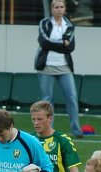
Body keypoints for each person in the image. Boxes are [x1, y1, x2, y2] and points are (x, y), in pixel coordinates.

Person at [35, 0, 83, 138]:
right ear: (52, 9)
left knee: (72, 98)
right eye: (56, 7)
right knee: (47, 100)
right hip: (46, 66)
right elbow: (43, 42)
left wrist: (56, 45)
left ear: (65, 9)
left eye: (62, 7)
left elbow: (71, 47)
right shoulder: (44, 23)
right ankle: (47, 131)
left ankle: (76, 129)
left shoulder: (69, 25)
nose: (59, 9)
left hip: (64, 67)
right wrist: (62, 43)